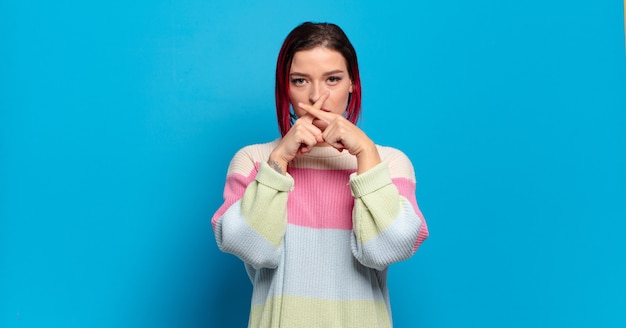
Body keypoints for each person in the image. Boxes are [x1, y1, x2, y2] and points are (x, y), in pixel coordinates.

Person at [211, 22, 428, 328]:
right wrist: (279, 161)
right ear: (285, 87)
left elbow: (386, 249)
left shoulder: (389, 163)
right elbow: (251, 247)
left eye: (333, 79)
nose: (317, 97)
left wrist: (366, 156)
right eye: (300, 81)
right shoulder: (254, 160)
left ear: (353, 82)